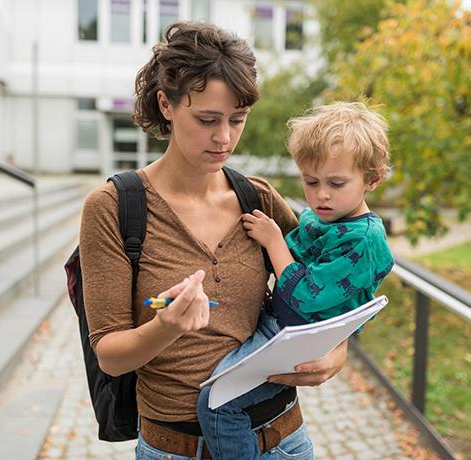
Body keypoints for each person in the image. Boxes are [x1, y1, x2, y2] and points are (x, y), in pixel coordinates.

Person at [79, 21, 348, 460]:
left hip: (285, 442)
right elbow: (110, 355)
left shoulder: (257, 198)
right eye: (207, 119)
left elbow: (335, 287)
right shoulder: (113, 207)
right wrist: (164, 326)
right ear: (166, 104)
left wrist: (335, 354)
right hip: (177, 449)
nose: (224, 138)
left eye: (237, 119)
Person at [197, 101, 395, 459]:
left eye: (336, 183)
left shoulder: (363, 240)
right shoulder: (324, 219)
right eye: (310, 181)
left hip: (298, 338)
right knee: (217, 394)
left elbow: (306, 293)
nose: (321, 195)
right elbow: (284, 259)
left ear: (373, 179)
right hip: (278, 325)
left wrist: (273, 240)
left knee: (217, 402)